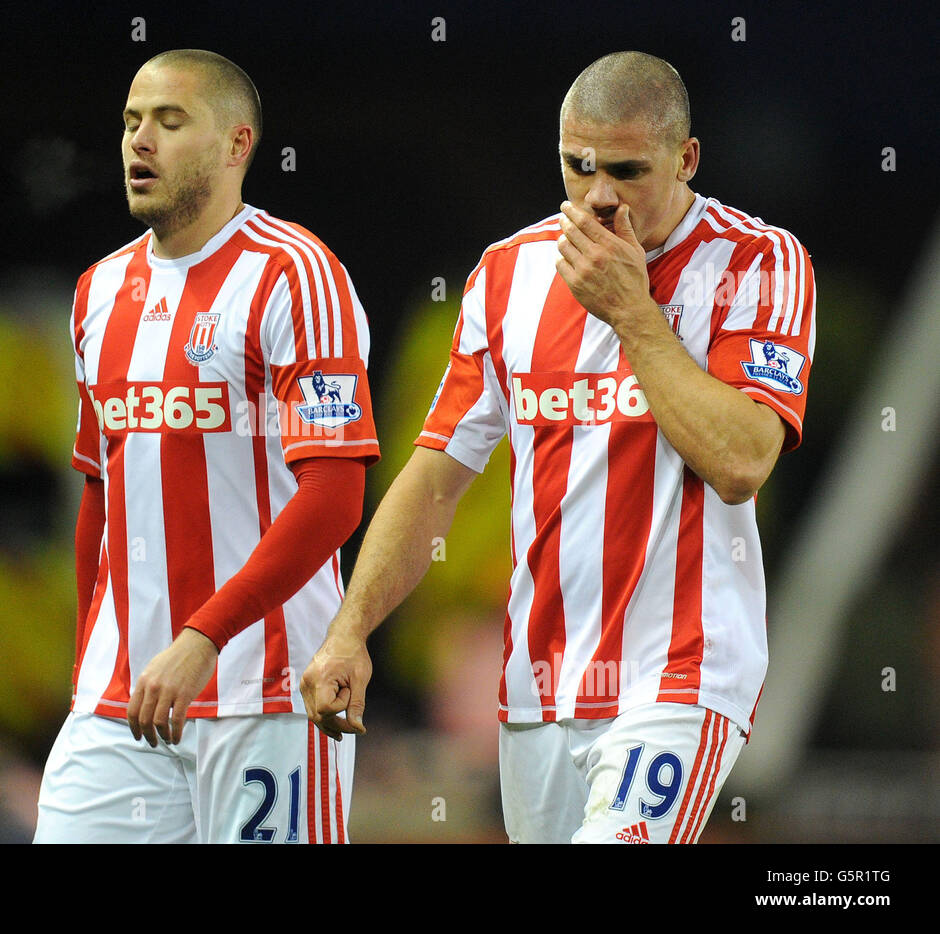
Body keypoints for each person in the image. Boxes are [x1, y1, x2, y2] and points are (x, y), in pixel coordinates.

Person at [301, 51, 816, 844]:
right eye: (578, 166)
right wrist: (348, 630)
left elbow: (743, 462)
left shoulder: (758, 264)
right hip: (538, 688)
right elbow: (436, 476)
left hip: (681, 675)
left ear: (687, 159)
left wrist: (634, 314)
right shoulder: (510, 274)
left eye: (627, 169)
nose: (599, 194)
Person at [35, 49, 379, 843]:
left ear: (236, 144)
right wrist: (89, 662)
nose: (138, 142)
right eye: (129, 121)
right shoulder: (97, 291)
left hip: (268, 695)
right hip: (120, 701)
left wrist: (202, 637)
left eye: (168, 120)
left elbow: (334, 495)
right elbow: (101, 487)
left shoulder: (296, 274)